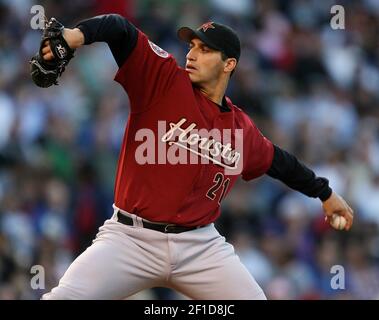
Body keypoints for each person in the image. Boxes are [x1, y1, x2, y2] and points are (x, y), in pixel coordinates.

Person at [40, 14, 353, 300]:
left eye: (205, 50)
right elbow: (119, 29)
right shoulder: (162, 81)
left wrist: (324, 193)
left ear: (229, 64)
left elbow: (280, 163)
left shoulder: (241, 128)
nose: (191, 54)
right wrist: (75, 36)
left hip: (200, 246)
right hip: (129, 238)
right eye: (191, 46)